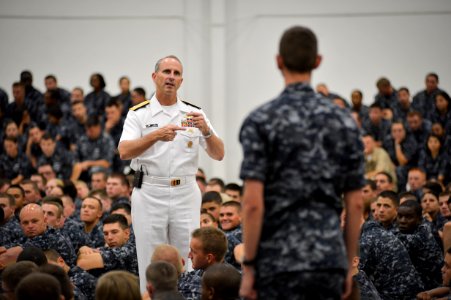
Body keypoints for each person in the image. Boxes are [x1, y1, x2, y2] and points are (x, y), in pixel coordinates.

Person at [238, 26, 364, 299]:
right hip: (327, 259)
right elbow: (355, 203)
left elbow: (252, 203)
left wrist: (248, 266)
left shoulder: (261, 120)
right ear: (317, 62)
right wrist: (346, 265)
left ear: (278, 61)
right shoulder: (344, 122)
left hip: (276, 261)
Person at [118, 54, 224, 291]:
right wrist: (155, 135)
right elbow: (124, 151)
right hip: (149, 191)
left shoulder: (194, 114)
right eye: (166, 72)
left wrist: (206, 131)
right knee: (150, 257)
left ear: (181, 81)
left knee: (189, 256)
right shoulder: (139, 114)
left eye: (176, 74)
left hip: (185, 192)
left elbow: (219, 154)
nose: (171, 77)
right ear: (154, 77)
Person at [178, 227, 227, 300]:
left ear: (209, 258)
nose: (189, 256)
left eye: (193, 252)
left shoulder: (224, 283)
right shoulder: (200, 272)